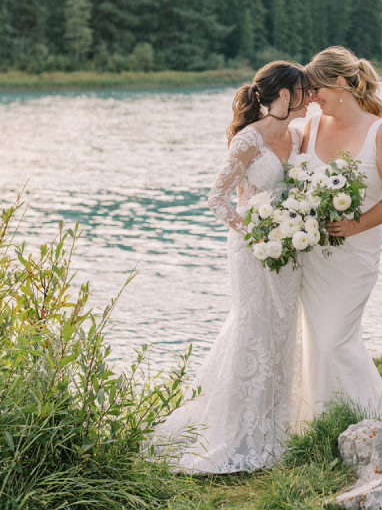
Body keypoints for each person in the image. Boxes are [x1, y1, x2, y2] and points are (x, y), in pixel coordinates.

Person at [144, 61, 308, 472]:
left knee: (283, 332)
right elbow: (217, 199)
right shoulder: (247, 141)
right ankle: (236, 435)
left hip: (289, 251)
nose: (310, 99)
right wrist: (255, 235)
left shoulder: (298, 136)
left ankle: (273, 432)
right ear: (285, 96)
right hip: (252, 251)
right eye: (304, 91)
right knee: (252, 332)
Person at [297, 46, 382, 424]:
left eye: (316, 90)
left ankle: (376, 421)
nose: (311, 99)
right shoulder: (310, 127)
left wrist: (355, 224)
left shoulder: (381, 132)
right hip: (311, 257)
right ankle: (324, 421)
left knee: (334, 340)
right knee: (315, 341)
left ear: (341, 83)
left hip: (354, 257)